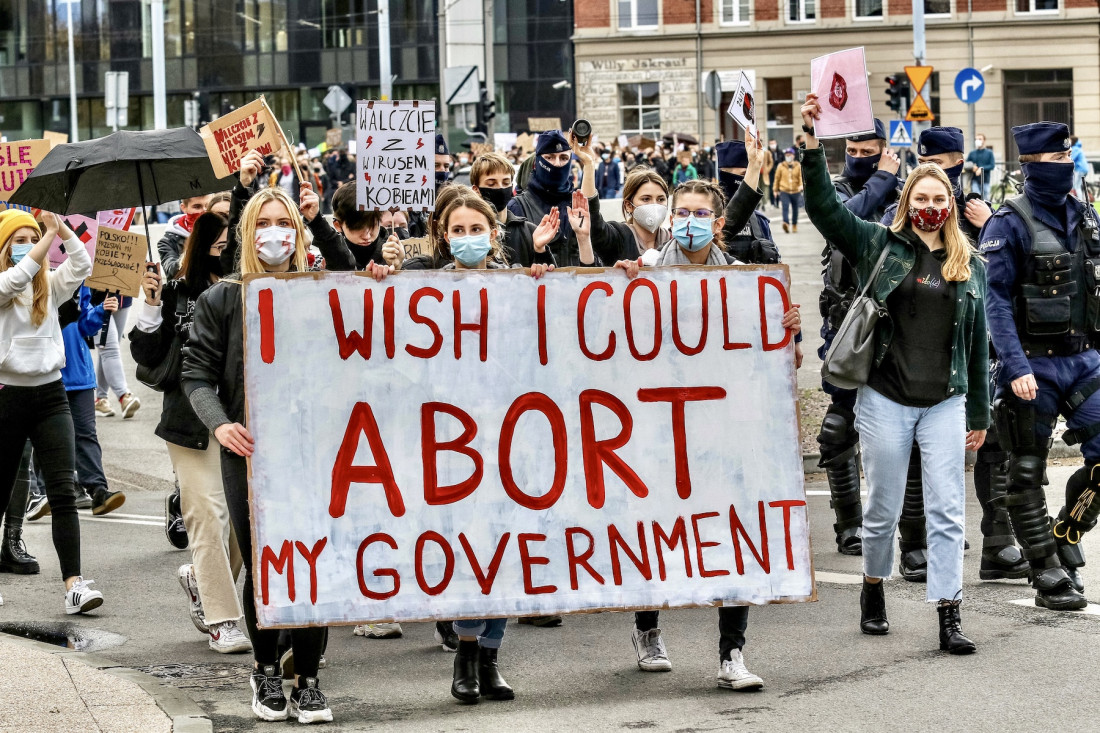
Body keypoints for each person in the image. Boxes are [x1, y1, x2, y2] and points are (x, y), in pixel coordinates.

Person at [802, 93, 989, 654]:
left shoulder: (968, 263)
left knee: (948, 511)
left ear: (950, 203)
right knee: (882, 509)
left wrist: (979, 411)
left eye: (939, 196)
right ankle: (874, 587)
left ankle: (949, 613)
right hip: (885, 398)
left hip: (945, 402)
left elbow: (978, 345)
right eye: (921, 196)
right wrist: (812, 144)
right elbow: (826, 213)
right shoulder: (879, 244)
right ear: (908, 202)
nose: (931, 204)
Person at [617, 177, 802, 688]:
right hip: (657, 426)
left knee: (735, 532)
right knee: (653, 531)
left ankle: (732, 654)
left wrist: (786, 329)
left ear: (719, 223)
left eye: (701, 213)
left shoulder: (748, 281)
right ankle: (648, 627)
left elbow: (782, 361)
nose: (689, 221)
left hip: (725, 429)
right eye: (683, 212)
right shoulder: (645, 273)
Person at [183, 182, 347, 723]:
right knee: (267, 563)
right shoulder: (224, 298)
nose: (276, 233)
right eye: (264, 224)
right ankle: (265, 671)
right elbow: (197, 372)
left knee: (315, 561)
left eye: (285, 223)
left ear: (297, 233)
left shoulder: (320, 291)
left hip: (316, 452)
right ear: (248, 234)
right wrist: (222, 424)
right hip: (251, 452)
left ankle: (310, 679)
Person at [879, 126, 1027, 584]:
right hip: (913, 354)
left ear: (963, 160)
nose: (943, 173)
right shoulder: (899, 217)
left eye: (951, 162)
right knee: (915, 452)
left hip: (978, 345)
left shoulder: (982, 212)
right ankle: (916, 543)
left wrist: (988, 226)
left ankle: (999, 542)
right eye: (934, 163)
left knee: (994, 438)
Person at [426, 189, 555, 704]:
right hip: (452, 443)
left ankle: (490, 657)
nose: (466, 238)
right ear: (443, 236)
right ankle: (464, 650)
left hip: (512, 437)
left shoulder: (517, 282)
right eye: (456, 230)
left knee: (507, 549)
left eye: (474, 228)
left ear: (494, 233)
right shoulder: (422, 291)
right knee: (469, 549)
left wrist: (544, 278)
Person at [980, 122, 1100, 612]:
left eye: (1068, 157)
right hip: (1032, 363)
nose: (1065, 166)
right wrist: (1013, 366)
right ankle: (1045, 568)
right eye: (1055, 161)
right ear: (1030, 166)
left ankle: (1068, 528)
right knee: (1025, 470)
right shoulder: (1007, 223)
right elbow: (996, 303)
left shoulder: (1085, 215)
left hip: (1085, 359)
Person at [131, 212, 252, 655]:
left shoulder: (248, 289)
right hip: (188, 422)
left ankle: (202, 582)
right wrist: (149, 303)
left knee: (242, 525)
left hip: (241, 419)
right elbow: (146, 352)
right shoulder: (178, 292)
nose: (226, 253)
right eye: (218, 247)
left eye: (230, 245)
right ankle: (223, 620)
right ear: (201, 248)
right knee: (206, 516)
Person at [0, 210, 105, 614]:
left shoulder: (49, 285)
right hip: (7, 397)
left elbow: (82, 264)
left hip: (51, 396)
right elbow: (15, 278)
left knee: (63, 491)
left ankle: (74, 586)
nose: (28, 243)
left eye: (32, 236)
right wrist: (45, 237)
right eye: (19, 238)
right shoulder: (7, 283)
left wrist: (61, 230)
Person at [816, 119, 902, 557]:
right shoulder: (837, 190)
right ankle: (849, 524)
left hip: (896, 326)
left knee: (906, 428)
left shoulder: (905, 189)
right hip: (846, 323)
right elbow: (846, 221)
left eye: (870, 150)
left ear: (884, 148)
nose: (860, 156)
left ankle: (914, 528)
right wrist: (882, 177)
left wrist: (891, 181)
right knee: (838, 428)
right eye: (853, 147)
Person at [58, 286, 127, 516]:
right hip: (46, 374)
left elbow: (85, 323)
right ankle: (44, 491)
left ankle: (98, 490)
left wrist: (102, 310)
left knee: (86, 434)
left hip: (79, 374)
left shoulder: (79, 281)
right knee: (50, 439)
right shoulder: (33, 275)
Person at [467, 151, 558, 268]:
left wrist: (540, 250)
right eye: (491, 184)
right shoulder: (467, 232)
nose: (500, 188)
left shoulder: (529, 232)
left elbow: (551, 280)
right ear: (476, 189)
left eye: (505, 182)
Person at [508, 130, 583, 266]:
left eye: (564, 158)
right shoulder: (518, 206)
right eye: (549, 157)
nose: (557, 164)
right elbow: (515, 265)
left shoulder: (577, 204)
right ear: (537, 162)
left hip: (577, 285)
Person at [158, 194, 214, 279]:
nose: (204, 211)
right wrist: (196, 242)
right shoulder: (168, 241)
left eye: (208, 205)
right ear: (184, 208)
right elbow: (173, 272)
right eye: (197, 207)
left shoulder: (221, 230)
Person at [774, 147, 803, 233]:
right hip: (784, 190)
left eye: (790, 155)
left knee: (795, 209)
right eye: (787, 155)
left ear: (793, 156)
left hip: (795, 191)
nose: (788, 156)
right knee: (785, 207)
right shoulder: (781, 166)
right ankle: (786, 223)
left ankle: (794, 224)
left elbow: (801, 177)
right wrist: (775, 190)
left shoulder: (798, 165)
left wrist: (801, 185)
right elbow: (777, 178)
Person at [965, 133, 996, 200]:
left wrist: (981, 168)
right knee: (976, 198)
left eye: (980, 139)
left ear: (984, 140)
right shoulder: (972, 153)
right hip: (974, 180)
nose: (977, 141)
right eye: (976, 139)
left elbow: (992, 165)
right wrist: (972, 167)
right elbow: (967, 164)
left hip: (985, 180)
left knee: (986, 199)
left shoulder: (989, 152)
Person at [1070, 136, 1090, 200]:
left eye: (1070, 140)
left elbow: (1071, 159)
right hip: (1083, 169)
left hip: (1080, 169)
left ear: (1073, 141)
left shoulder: (1075, 149)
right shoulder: (1078, 148)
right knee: (1077, 185)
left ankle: (1080, 201)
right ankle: (1080, 199)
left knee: (1077, 186)